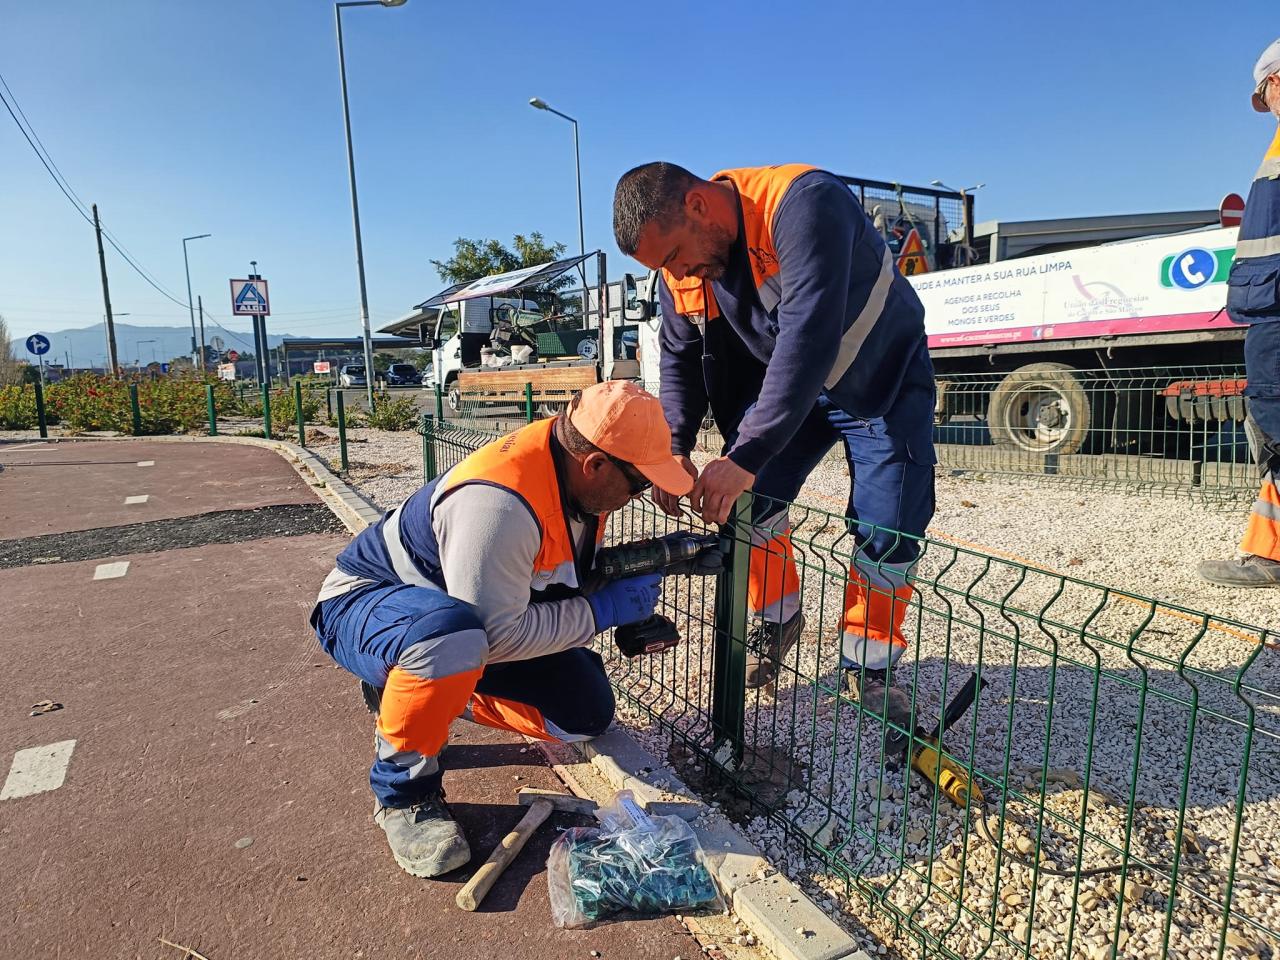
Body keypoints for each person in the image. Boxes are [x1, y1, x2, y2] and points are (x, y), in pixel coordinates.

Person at [310, 381, 695, 877]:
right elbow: (497, 635)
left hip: (457, 623)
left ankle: (410, 692)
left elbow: (543, 582)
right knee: (448, 640)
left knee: (585, 714)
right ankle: (404, 793)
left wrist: (619, 579)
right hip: (366, 605)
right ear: (595, 465)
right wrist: (601, 613)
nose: (638, 495)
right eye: (638, 484)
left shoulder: (572, 475)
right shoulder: (498, 503)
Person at [612, 162, 936, 743]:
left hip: (879, 382)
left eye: (676, 256)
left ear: (697, 204)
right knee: (750, 503)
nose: (678, 272)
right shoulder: (682, 270)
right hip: (794, 391)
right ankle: (779, 618)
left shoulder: (803, 205)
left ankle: (870, 665)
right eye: (665, 267)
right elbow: (680, 358)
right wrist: (675, 448)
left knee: (888, 525)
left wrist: (746, 451)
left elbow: (809, 336)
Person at [1199, 40, 1280, 588]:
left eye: (1266, 89)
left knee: (1276, 426)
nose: (1267, 100)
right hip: (1269, 306)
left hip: (1276, 308)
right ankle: (1269, 555)